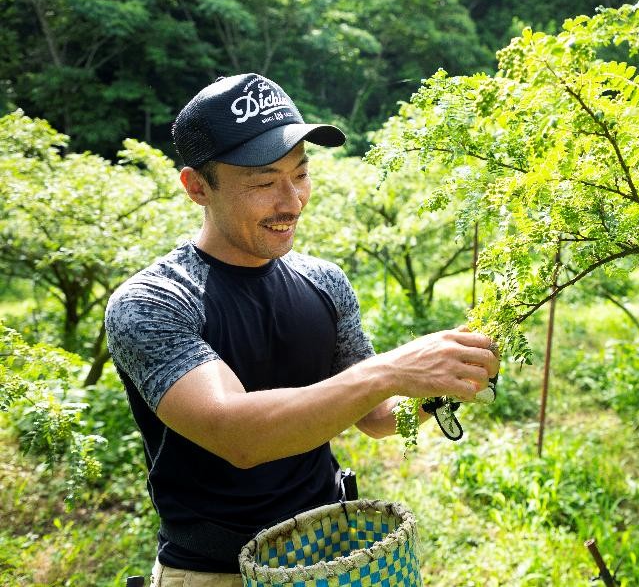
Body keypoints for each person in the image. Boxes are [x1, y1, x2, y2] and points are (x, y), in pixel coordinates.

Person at [105, 73, 499, 586]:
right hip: (214, 573)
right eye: (264, 182)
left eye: (301, 173)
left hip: (328, 555)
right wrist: (390, 370)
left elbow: (379, 417)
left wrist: (445, 382)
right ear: (197, 186)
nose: (291, 202)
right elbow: (238, 436)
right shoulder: (156, 301)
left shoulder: (324, 283)